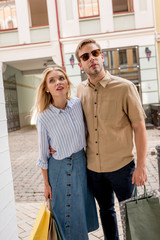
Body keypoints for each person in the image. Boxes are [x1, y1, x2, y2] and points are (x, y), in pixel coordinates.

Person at [75, 38, 147, 240]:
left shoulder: (125, 87)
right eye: (86, 56)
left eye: (95, 53)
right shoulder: (80, 91)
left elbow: (139, 127)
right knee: (106, 212)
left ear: (102, 57)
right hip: (94, 169)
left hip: (122, 167)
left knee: (131, 213)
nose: (92, 59)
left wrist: (141, 165)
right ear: (80, 64)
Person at [34, 66, 99, 240]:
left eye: (61, 78)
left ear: (67, 82)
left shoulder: (78, 104)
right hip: (59, 170)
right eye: (52, 81)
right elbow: (42, 157)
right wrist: (46, 185)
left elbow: (88, 129)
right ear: (47, 88)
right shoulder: (44, 118)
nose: (58, 83)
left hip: (80, 165)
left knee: (79, 216)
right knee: (64, 219)